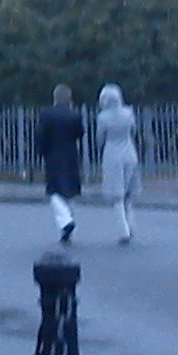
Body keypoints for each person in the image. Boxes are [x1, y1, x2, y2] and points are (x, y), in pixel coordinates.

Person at [36, 84, 86, 243]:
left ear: (55, 98)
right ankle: (67, 223)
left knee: (54, 191)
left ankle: (66, 221)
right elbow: (80, 133)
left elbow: (41, 135)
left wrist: (41, 152)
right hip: (71, 156)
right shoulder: (74, 115)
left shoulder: (46, 114)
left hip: (53, 156)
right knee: (70, 191)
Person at [95, 84, 141, 244]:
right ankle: (131, 225)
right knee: (128, 194)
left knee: (117, 195)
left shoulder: (103, 117)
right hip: (130, 152)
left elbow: (100, 138)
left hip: (113, 155)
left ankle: (123, 231)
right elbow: (133, 131)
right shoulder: (128, 113)